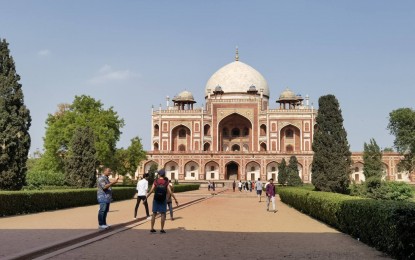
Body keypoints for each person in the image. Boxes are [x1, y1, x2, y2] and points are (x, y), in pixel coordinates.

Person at [146, 169, 178, 233]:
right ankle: (162, 229)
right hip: (163, 199)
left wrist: (146, 198)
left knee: (154, 213)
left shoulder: (156, 181)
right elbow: (170, 192)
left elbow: (151, 190)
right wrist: (175, 199)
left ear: (159, 174)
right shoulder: (166, 182)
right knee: (163, 213)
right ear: (164, 175)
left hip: (156, 199)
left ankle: (152, 228)